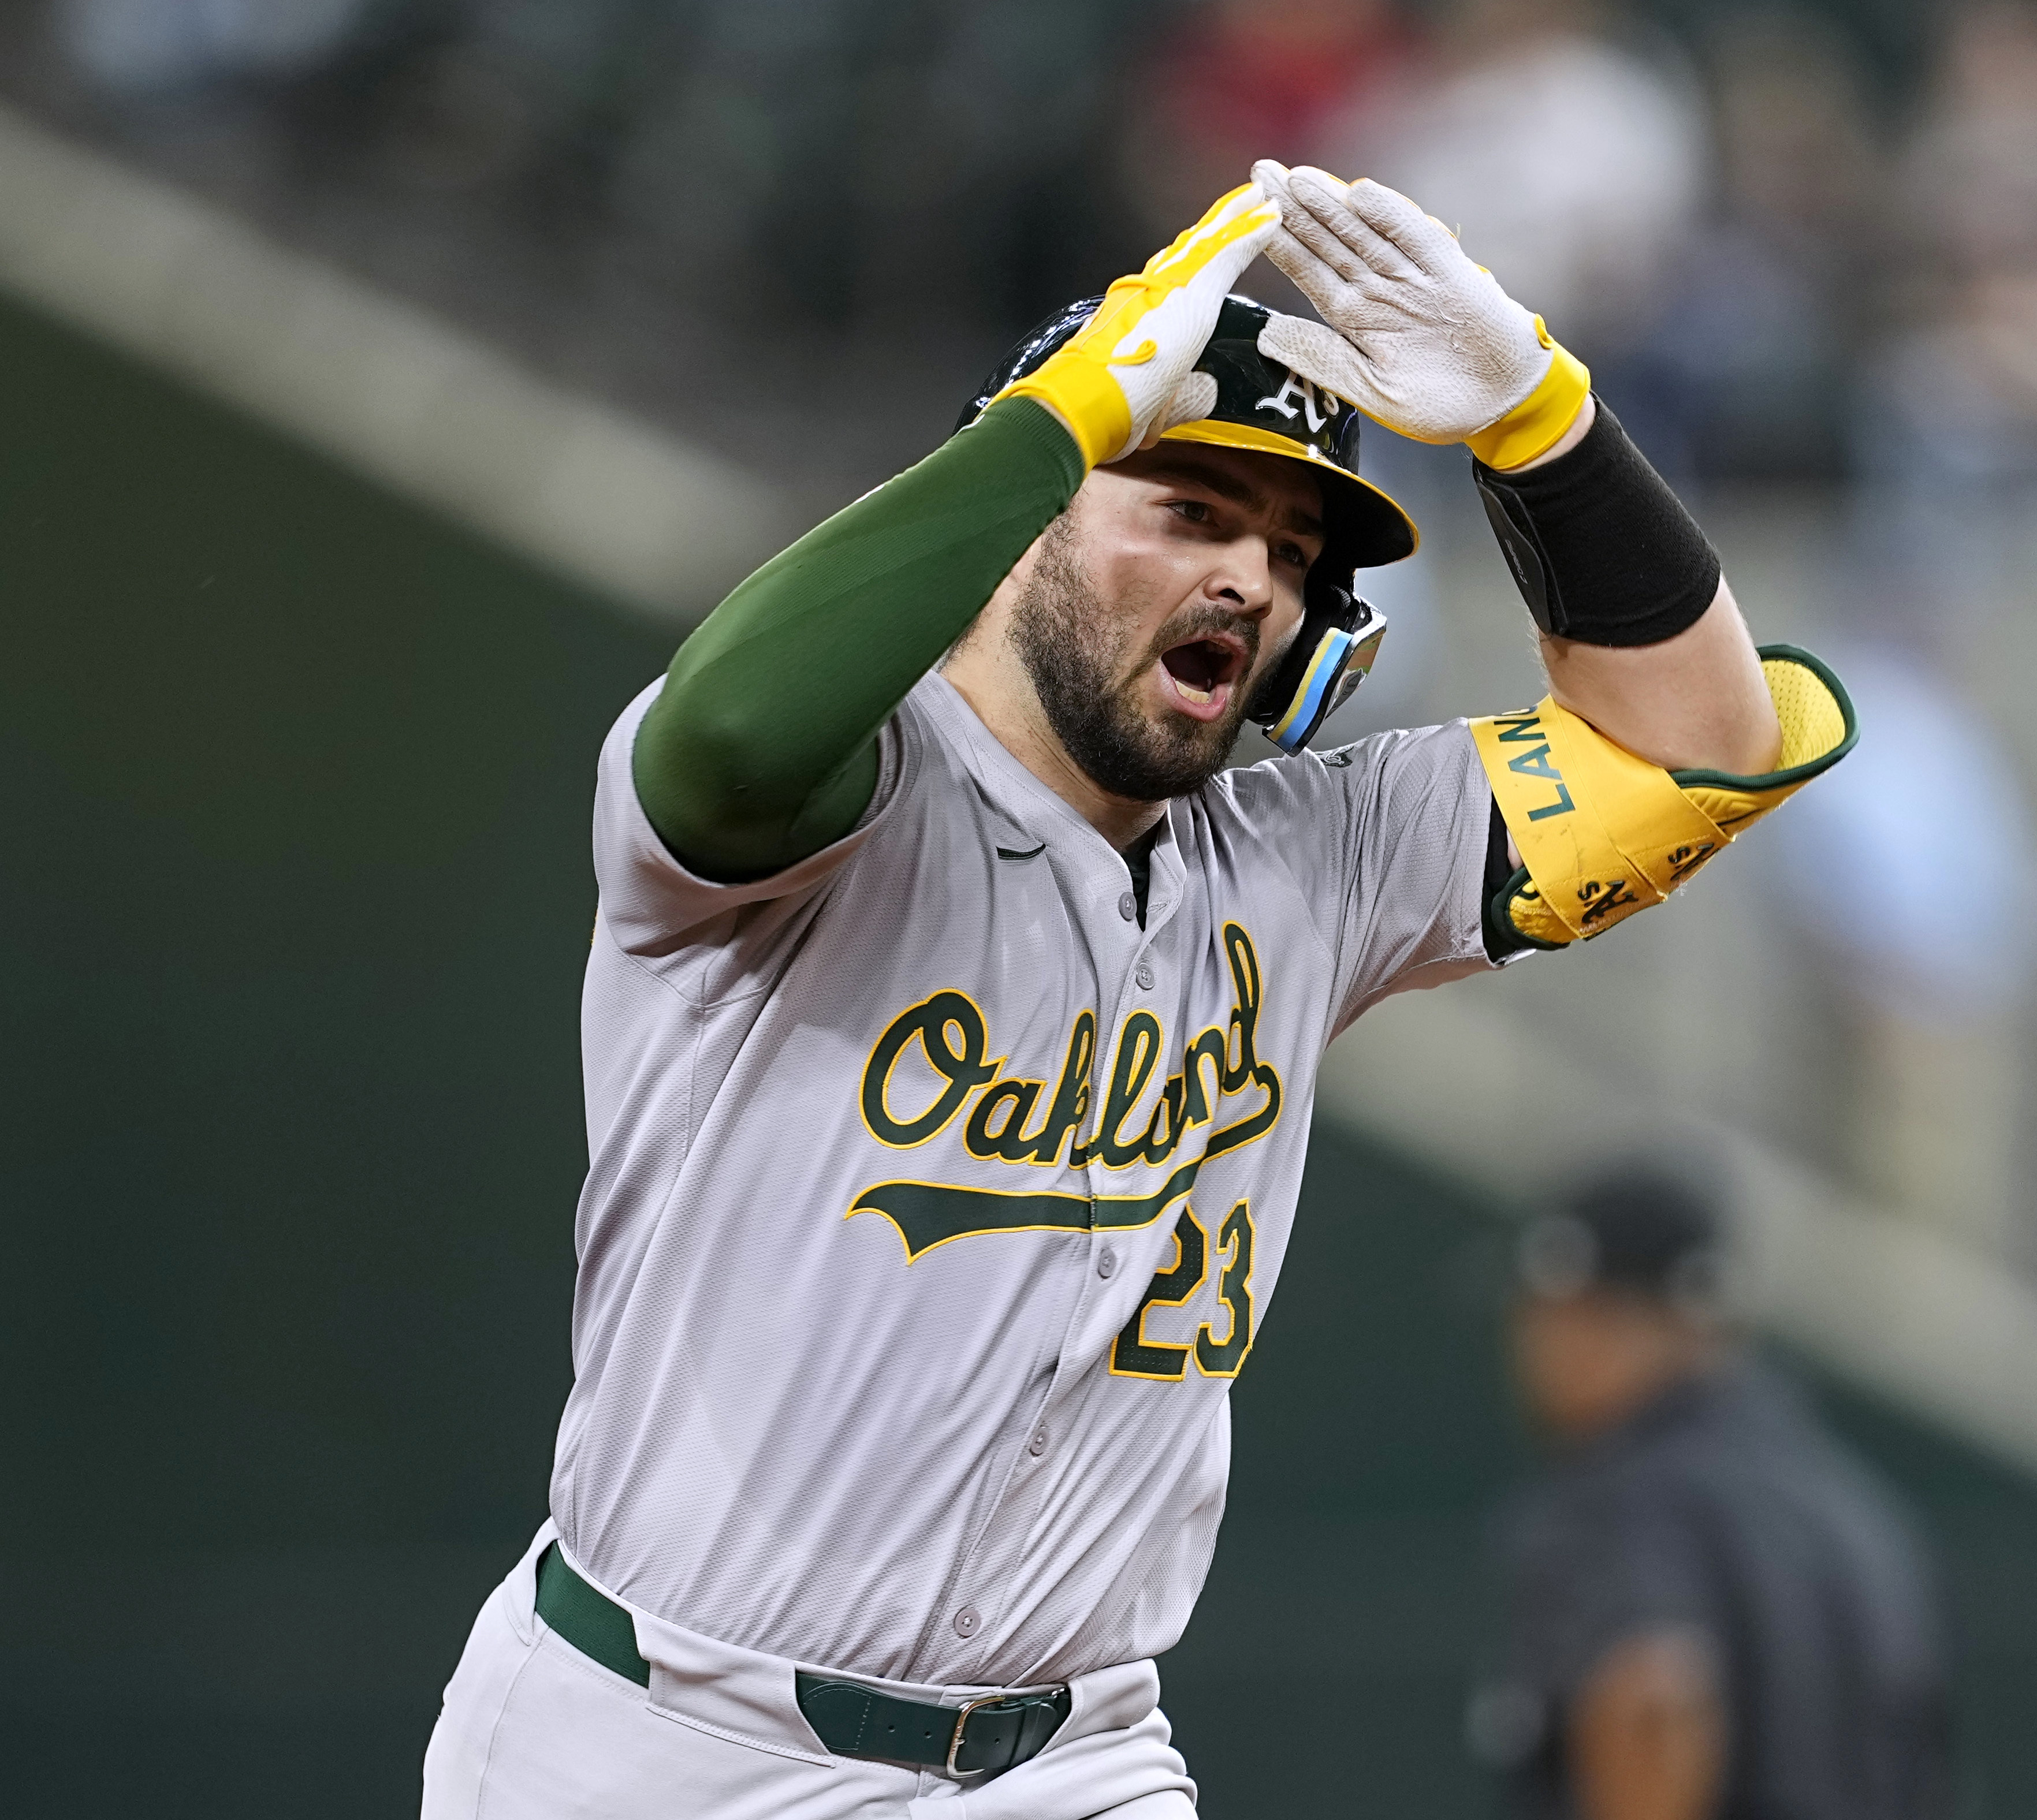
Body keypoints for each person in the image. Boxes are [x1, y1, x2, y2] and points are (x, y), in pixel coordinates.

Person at [419, 165, 1854, 1820]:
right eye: (1185, 508)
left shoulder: (1320, 856)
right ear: (1014, 517)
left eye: (1293, 548)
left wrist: (1545, 420)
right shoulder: (846, 797)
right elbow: (726, 743)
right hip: (665, 1742)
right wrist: (1067, 409)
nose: (1250, 578)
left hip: (1073, 1759)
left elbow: (1707, 741)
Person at [1471, 1162, 1949, 1820]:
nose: (1529, 1343)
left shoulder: (1620, 1492)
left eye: (1548, 1314)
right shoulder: (1860, 1515)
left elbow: (1658, 1697)